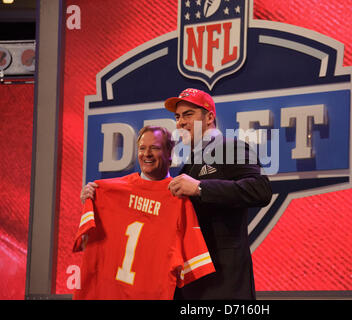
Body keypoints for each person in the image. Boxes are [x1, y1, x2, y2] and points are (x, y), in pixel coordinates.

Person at [81, 89, 273, 299]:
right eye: (178, 117)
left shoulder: (231, 147)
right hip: (192, 287)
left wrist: (200, 188)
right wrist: (98, 196)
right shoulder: (187, 169)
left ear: (209, 117)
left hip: (225, 285)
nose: (180, 122)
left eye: (188, 114)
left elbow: (260, 190)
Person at [74, 126, 215, 299]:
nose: (146, 153)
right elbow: (82, 243)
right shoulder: (103, 191)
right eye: (142, 148)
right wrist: (89, 202)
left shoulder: (179, 201)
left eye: (154, 148)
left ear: (170, 155)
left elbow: (193, 271)